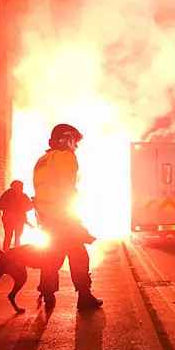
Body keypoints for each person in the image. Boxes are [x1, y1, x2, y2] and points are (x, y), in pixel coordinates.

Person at [32, 123, 103, 311]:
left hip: (48, 220)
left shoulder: (42, 160)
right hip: (64, 219)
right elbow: (67, 190)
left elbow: (42, 193)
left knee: (52, 258)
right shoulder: (66, 157)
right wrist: (77, 225)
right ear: (67, 139)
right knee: (79, 256)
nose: (76, 147)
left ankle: (47, 293)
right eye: (75, 141)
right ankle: (84, 297)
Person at [0, 180, 34, 251]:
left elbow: (28, 207)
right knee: (8, 237)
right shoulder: (7, 195)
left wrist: (32, 205)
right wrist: (10, 210)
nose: (22, 188)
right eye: (20, 187)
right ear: (14, 187)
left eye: (22, 187)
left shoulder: (23, 196)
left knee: (18, 237)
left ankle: (16, 253)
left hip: (19, 220)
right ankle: (6, 254)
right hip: (9, 220)